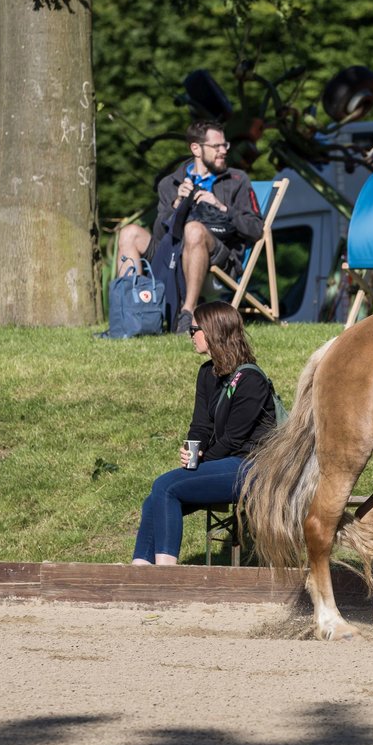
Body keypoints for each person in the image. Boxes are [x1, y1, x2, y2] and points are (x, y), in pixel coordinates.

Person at [131, 301, 276, 565]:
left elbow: (234, 439)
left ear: (213, 331)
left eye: (194, 329)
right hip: (224, 462)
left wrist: (202, 462)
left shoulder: (251, 380)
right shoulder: (207, 374)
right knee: (153, 500)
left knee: (165, 486)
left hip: (253, 467)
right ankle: (140, 569)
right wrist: (191, 454)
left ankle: (165, 573)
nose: (190, 335)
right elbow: (200, 426)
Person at [116, 121, 265, 335]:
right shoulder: (171, 183)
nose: (223, 151)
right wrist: (176, 205)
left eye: (225, 145)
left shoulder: (236, 180)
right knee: (129, 233)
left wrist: (222, 208)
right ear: (196, 148)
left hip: (218, 264)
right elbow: (160, 234)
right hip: (172, 256)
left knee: (194, 229)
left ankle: (188, 313)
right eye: (217, 147)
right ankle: (132, 313)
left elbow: (256, 228)